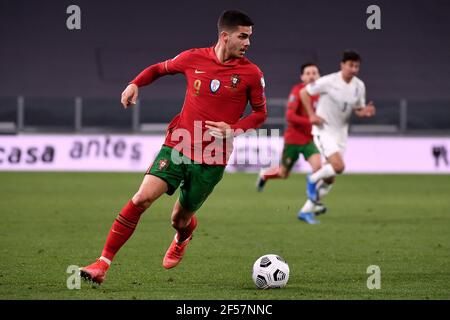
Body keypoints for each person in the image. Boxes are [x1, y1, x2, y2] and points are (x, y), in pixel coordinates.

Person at [79, 10, 267, 284]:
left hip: (213, 157)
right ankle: (102, 263)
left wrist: (234, 130)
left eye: (250, 36)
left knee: (179, 219)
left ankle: (183, 235)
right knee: (141, 198)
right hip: (178, 144)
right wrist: (134, 83)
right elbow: (158, 69)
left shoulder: (251, 73)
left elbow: (261, 114)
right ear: (225, 36)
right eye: (243, 36)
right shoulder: (193, 58)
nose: (248, 42)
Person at [300, 50, 376, 205]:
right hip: (324, 130)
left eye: (356, 66)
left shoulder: (359, 86)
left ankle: (308, 209)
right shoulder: (329, 81)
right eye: (350, 65)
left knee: (330, 177)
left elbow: (358, 108)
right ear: (342, 65)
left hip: (341, 134)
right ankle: (312, 178)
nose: (353, 69)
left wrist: (364, 112)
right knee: (339, 166)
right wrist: (312, 115)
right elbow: (304, 92)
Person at [256, 63, 326, 224]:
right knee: (283, 174)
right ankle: (265, 174)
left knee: (318, 170)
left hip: (309, 140)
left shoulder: (321, 94)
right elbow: (290, 116)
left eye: (314, 73)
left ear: (319, 76)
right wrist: (311, 120)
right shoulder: (297, 91)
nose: (311, 76)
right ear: (302, 77)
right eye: (307, 73)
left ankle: (311, 206)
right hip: (293, 140)